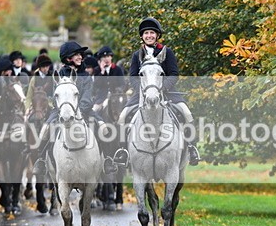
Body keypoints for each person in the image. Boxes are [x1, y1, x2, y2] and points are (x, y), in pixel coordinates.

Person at [115, 17, 200, 166]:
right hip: (143, 93)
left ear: (157, 35)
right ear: (142, 36)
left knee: (186, 113)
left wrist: (162, 87)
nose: (149, 35)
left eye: (152, 33)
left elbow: (174, 74)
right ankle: (123, 151)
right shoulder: (137, 55)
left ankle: (192, 148)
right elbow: (133, 77)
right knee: (122, 116)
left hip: (167, 92)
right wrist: (143, 90)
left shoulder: (167, 52)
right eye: (146, 33)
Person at [32, 41, 119, 177]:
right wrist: (63, 109)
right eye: (76, 54)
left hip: (84, 110)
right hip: (61, 110)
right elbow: (56, 96)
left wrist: (76, 111)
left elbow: (87, 98)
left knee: (102, 127)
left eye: (80, 54)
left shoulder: (86, 77)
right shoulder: (59, 75)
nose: (80, 57)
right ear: (68, 58)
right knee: (46, 130)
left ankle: (107, 159)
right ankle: (41, 160)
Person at [92, 45, 126, 112]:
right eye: (104, 57)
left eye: (108, 56)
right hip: (101, 99)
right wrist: (102, 71)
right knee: (94, 110)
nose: (106, 59)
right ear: (100, 59)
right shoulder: (97, 70)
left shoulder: (117, 69)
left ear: (111, 57)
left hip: (116, 98)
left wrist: (119, 90)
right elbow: (95, 85)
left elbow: (122, 84)